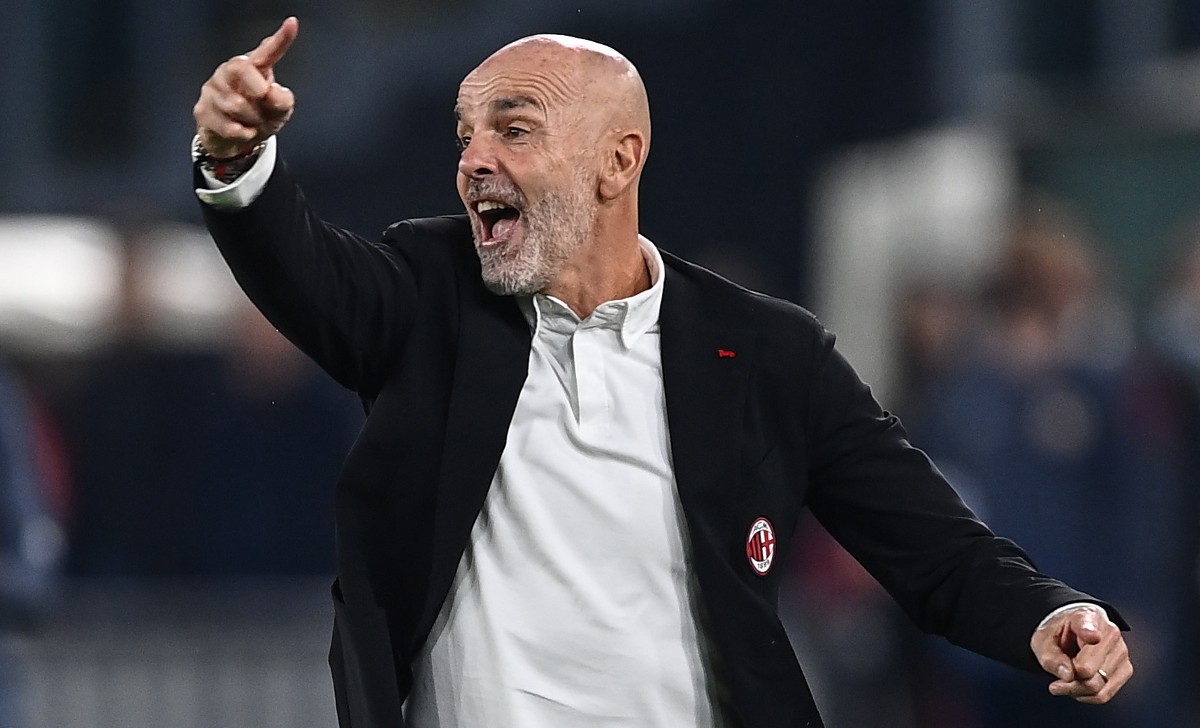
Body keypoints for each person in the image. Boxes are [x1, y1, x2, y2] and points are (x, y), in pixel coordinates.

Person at [191, 17, 1133, 727]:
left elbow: (933, 546)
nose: (473, 161)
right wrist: (238, 160)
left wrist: (1049, 614)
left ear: (618, 162)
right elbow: (307, 275)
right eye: (465, 134)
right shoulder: (426, 296)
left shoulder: (764, 353)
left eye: (513, 131)